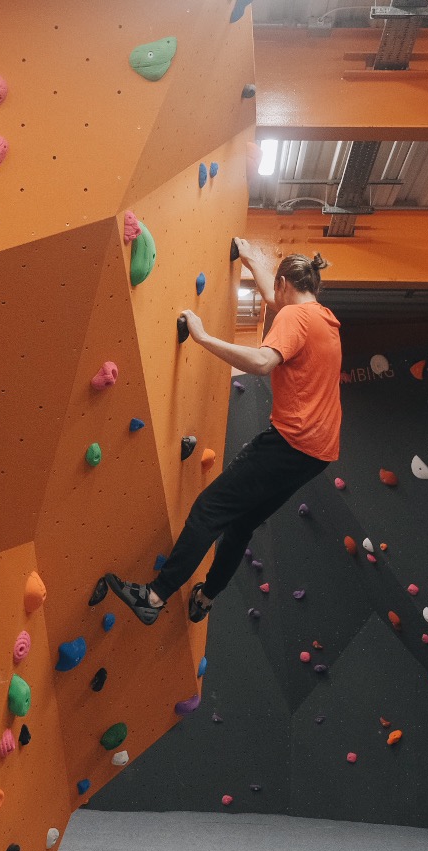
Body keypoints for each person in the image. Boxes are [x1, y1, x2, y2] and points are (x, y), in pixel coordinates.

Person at [105, 241, 342, 624]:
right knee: (242, 522)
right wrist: (249, 258)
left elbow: (264, 362)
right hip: (318, 452)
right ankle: (206, 596)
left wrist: (202, 338)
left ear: (285, 284)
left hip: (290, 442)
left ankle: (154, 595)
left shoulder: (294, 319)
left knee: (209, 509)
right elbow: (272, 294)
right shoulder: (323, 319)